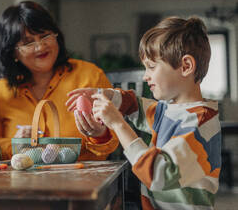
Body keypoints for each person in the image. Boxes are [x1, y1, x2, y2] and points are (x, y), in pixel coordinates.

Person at [67, 16, 221, 209]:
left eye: (151, 67)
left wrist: (118, 124)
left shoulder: (199, 123)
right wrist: (102, 93)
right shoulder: (170, 110)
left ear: (186, 66)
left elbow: (158, 174)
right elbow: (135, 106)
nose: (146, 76)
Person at [0, 1, 118, 161]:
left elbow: (113, 141)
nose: (40, 47)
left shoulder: (90, 76)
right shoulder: (1, 92)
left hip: (83, 179)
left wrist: (99, 134)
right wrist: (16, 144)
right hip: (21, 181)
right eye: (28, 42)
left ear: (56, 36)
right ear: (13, 53)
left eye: (45, 36)